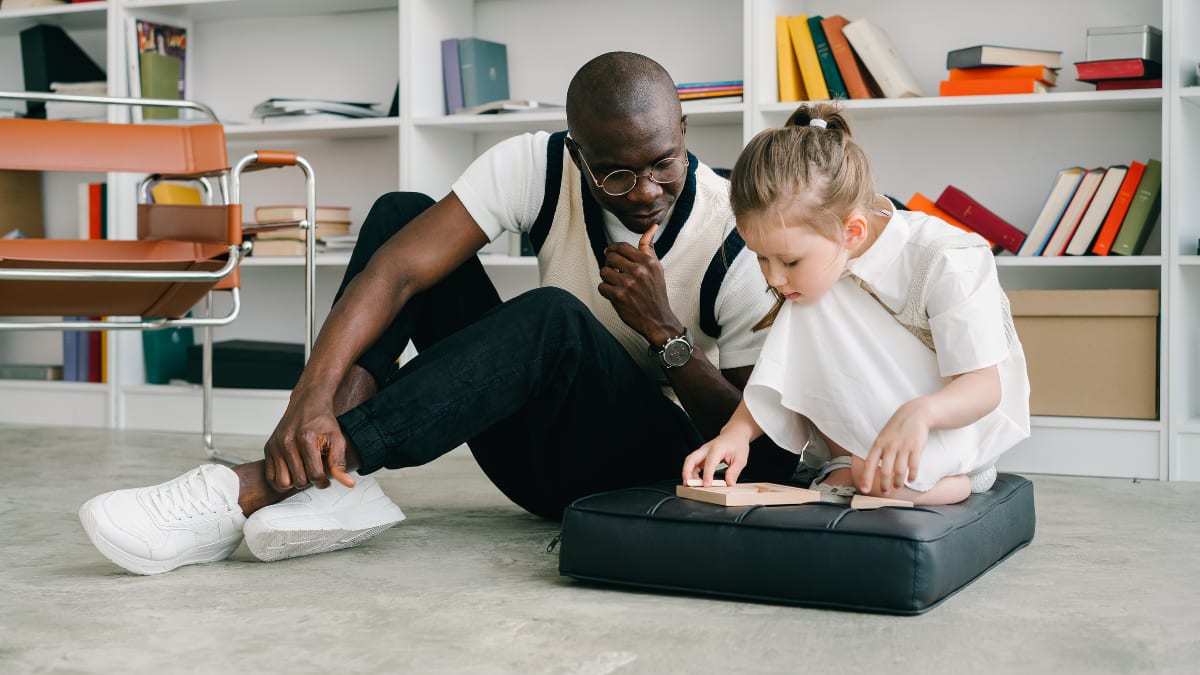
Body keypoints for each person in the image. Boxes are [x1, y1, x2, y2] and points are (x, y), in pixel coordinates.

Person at [79, 51, 802, 575]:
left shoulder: (736, 239)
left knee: (553, 320)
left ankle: (252, 486)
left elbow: (763, 458)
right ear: (576, 152)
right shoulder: (536, 166)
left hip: (643, 470)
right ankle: (332, 478)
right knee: (402, 217)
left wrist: (666, 335)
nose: (644, 189)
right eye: (616, 171)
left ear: (683, 130)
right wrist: (308, 399)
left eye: (664, 162)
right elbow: (396, 272)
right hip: (531, 457)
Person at [682, 102, 1030, 506]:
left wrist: (921, 414)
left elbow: (985, 387)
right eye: (762, 257)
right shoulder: (813, 269)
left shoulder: (948, 258)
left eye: (789, 260)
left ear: (853, 230)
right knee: (810, 296)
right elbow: (780, 369)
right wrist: (736, 433)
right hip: (873, 430)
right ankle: (850, 457)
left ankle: (970, 476)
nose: (773, 277)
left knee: (885, 480)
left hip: (953, 419)